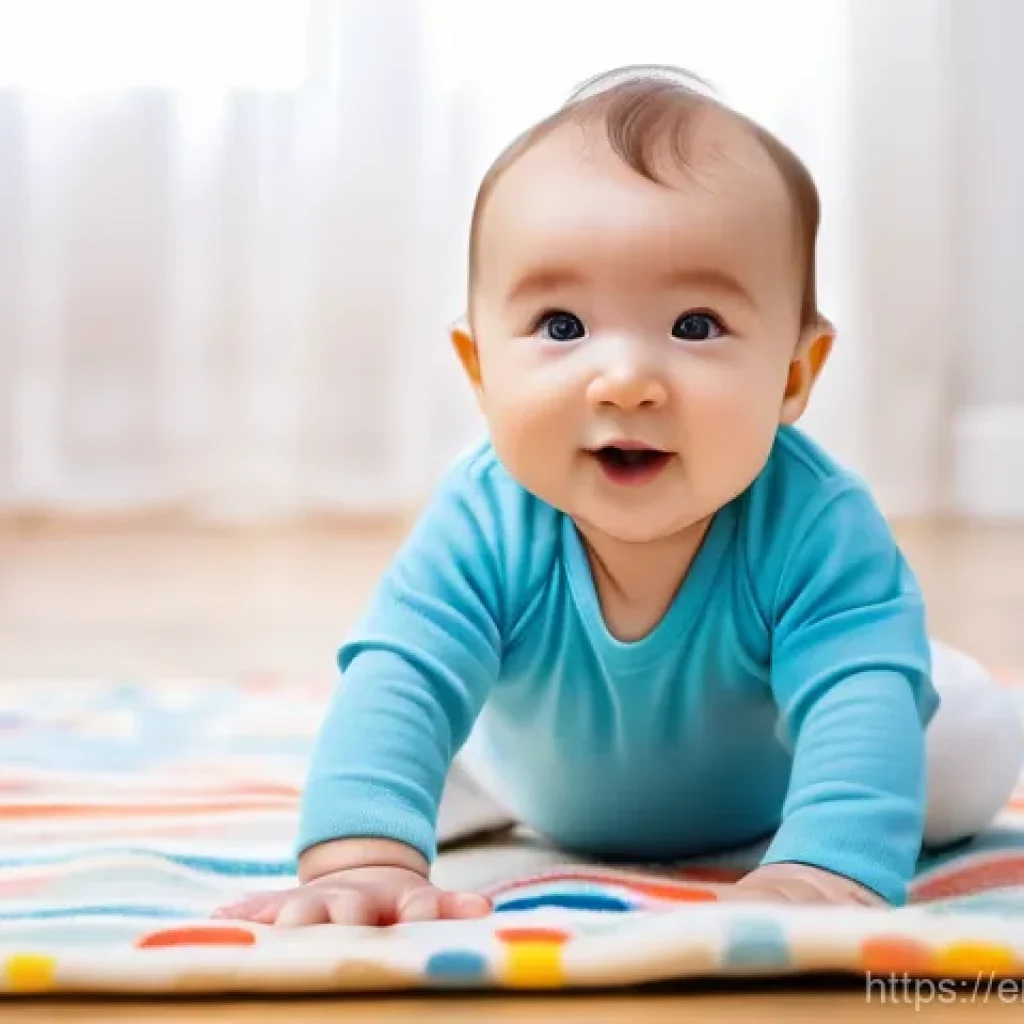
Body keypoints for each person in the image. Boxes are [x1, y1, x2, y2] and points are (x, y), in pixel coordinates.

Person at [216, 66, 1024, 927]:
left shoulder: (817, 526)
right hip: (527, 768)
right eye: (562, 327)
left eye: (695, 326)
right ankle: (454, 795)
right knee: (387, 741)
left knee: (957, 745)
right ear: (482, 370)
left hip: (775, 777)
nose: (627, 381)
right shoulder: (484, 521)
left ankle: (923, 678)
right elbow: (402, 675)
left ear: (793, 375)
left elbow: (858, 696)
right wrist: (362, 859)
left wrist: (825, 869)